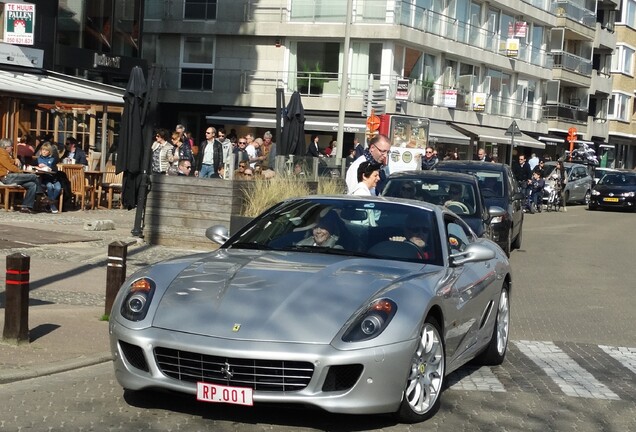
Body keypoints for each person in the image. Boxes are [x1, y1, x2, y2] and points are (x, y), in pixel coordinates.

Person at [0, 138, 39, 213]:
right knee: (33, 176)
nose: (12, 148)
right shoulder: (1, 153)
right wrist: (20, 171)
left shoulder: (6, 154)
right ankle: (41, 194)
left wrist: (15, 159)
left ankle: (26, 207)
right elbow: (9, 166)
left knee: (32, 184)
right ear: (6, 147)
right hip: (6, 177)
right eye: (11, 146)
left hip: (11, 176)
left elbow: (11, 162)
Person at [36, 142, 62, 213]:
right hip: (45, 178)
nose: (44, 151)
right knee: (49, 186)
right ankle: (52, 205)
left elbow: (54, 168)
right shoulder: (39, 159)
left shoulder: (53, 159)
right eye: (43, 150)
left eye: (46, 150)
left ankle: (49, 203)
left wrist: (48, 167)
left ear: (49, 152)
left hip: (54, 178)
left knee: (58, 188)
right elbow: (38, 166)